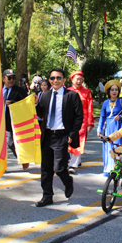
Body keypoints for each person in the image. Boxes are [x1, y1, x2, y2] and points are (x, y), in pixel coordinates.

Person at [35, 68, 83, 207]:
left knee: (60, 168)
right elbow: (40, 113)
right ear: (49, 80)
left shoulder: (72, 96)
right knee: (46, 168)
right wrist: (36, 103)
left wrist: (72, 135)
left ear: (63, 80)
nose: (55, 80)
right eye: (52, 78)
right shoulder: (45, 95)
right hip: (47, 135)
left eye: (58, 78)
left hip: (62, 136)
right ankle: (47, 196)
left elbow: (79, 117)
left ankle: (68, 182)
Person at [97, 80, 122, 176]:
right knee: (109, 147)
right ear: (109, 92)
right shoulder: (106, 103)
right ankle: (108, 169)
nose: (114, 91)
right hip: (108, 128)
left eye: (116, 90)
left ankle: (118, 168)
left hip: (119, 127)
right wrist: (99, 130)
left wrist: (121, 117)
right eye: (112, 90)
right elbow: (102, 117)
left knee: (117, 147)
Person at [67, 71, 94, 174]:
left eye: (80, 79)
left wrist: (90, 122)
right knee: (69, 141)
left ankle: (72, 164)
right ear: (72, 80)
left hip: (82, 120)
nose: (79, 81)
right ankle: (77, 160)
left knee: (80, 142)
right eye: (76, 79)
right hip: (70, 120)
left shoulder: (87, 92)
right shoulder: (67, 91)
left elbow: (90, 107)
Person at [3, 69, 29, 171]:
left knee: (11, 143)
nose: (11, 80)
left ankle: (23, 159)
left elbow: (26, 106)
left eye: (13, 78)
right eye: (9, 78)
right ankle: (1, 166)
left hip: (11, 122)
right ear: (3, 79)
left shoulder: (20, 91)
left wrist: (14, 104)